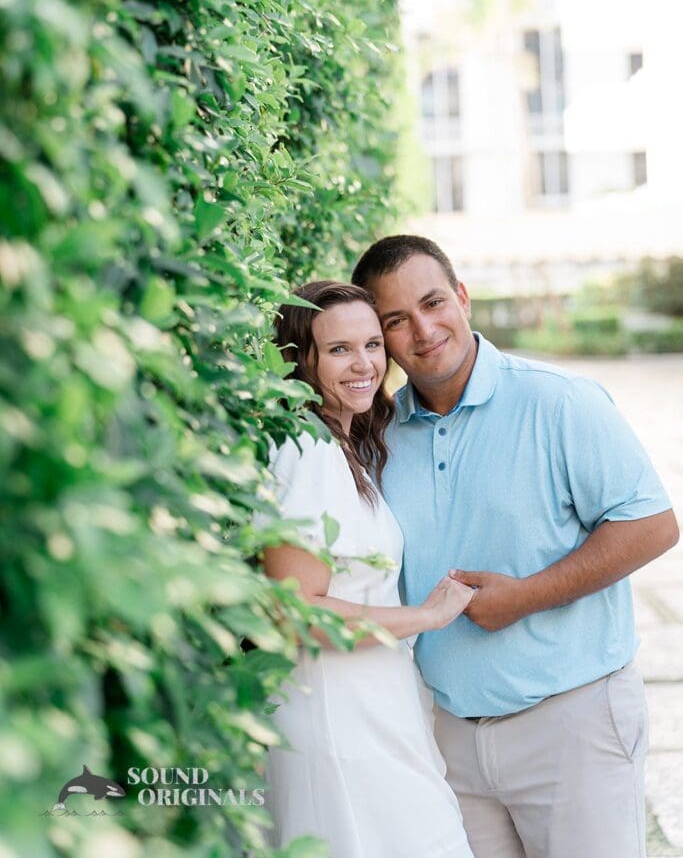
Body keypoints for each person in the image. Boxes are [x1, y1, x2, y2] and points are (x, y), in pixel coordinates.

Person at [351, 234, 679, 858]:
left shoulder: (559, 401)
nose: (423, 331)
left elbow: (653, 524)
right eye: (396, 320)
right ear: (381, 337)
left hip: (572, 726)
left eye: (434, 303)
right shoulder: (379, 434)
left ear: (464, 298)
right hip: (448, 737)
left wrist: (525, 597)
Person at [257, 280, 476, 858]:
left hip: (373, 709)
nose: (364, 365)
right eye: (338, 350)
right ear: (300, 359)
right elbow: (297, 612)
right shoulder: (306, 450)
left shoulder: (345, 446)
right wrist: (424, 616)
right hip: (336, 718)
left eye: (373, 344)